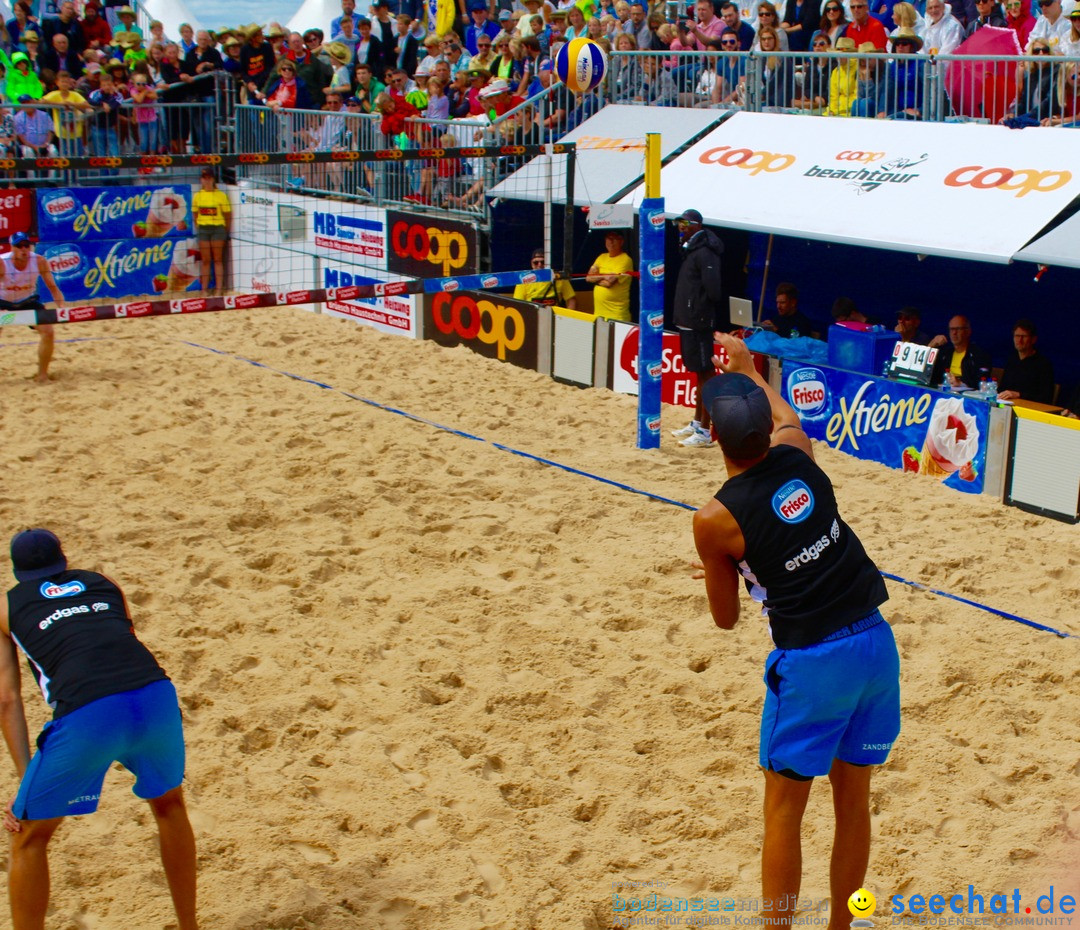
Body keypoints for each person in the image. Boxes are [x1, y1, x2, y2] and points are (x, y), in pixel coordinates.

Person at [691, 332, 899, 930]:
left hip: (814, 661)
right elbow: (787, 416)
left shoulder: (715, 519)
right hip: (876, 647)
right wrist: (749, 368)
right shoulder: (798, 453)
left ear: (713, 433)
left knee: (783, 811)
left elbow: (726, 619)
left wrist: (723, 567)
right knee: (853, 803)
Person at [0, 529, 197, 930]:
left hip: (90, 714)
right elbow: (114, 640)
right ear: (63, 561)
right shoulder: (104, 584)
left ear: (18, 571)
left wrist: (26, 778)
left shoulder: (5, 606)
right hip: (154, 696)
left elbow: (7, 699)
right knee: (170, 805)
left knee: (28, 837)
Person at [671, 209, 725, 449]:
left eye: (684, 224)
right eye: (679, 224)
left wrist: (697, 310)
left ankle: (705, 430)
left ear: (696, 226)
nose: (680, 228)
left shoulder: (705, 253)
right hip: (688, 320)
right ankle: (696, 422)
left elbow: (713, 291)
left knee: (705, 374)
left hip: (698, 321)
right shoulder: (691, 251)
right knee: (698, 373)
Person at [0, 232, 64, 383]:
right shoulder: (2, 263)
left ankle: (42, 375)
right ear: (12, 248)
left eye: (26, 245)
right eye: (19, 246)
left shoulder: (39, 261)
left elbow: (53, 288)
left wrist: (61, 306)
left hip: (27, 301)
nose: (23, 249)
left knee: (48, 331)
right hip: (2, 301)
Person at [997, 318, 1056, 403]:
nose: (1019, 340)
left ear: (1033, 339)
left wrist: (1019, 394)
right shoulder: (1012, 360)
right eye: (1017, 336)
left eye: (1024, 336)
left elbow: (1046, 397)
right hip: (1007, 405)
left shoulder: (1043, 364)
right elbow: (1002, 388)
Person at [928, 315, 992, 389]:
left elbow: (981, 383)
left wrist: (960, 383)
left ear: (968, 331)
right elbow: (926, 374)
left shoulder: (979, 355)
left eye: (958, 329)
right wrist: (931, 346)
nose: (954, 333)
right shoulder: (945, 354)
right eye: (952, 329)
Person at [192, 168, 230, 294]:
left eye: (209, 178)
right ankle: (204, 290)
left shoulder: (221, 195)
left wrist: (225, 231)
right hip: (203, 229)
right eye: (204, 178)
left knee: (218, 259)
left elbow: (227, 215)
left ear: (213, 179)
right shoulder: (198, 196)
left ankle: (219, 289)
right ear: (201, 180)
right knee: (206, 260)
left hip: (218, 229)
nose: (207, 181)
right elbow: (195, 214)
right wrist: (199, 227)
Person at [586, 230, 634, 323]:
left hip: (616, 315)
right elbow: (588, 277)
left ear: (621, 241)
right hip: (599, 315)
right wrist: (604, 276)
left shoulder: (625, 260)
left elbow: (609, 283)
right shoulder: (602, 257)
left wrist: (597, 277)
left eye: (614, 239)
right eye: (609, 238)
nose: (611, 242)